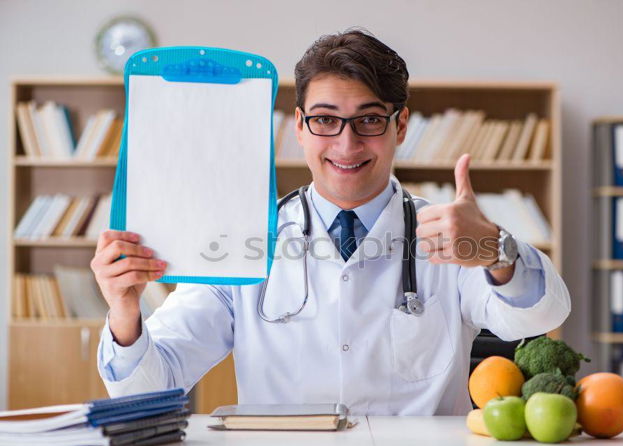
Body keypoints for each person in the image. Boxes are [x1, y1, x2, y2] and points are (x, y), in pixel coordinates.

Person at [92, 28, 570, 415]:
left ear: (400, 125)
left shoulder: (448, 236)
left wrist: (495, 247)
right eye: (325, 120)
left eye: (368, 120)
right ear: (299, 126)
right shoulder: (242, 241)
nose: (346, 145)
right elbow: (149, 388)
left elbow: (540, 315)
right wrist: (125, 314)